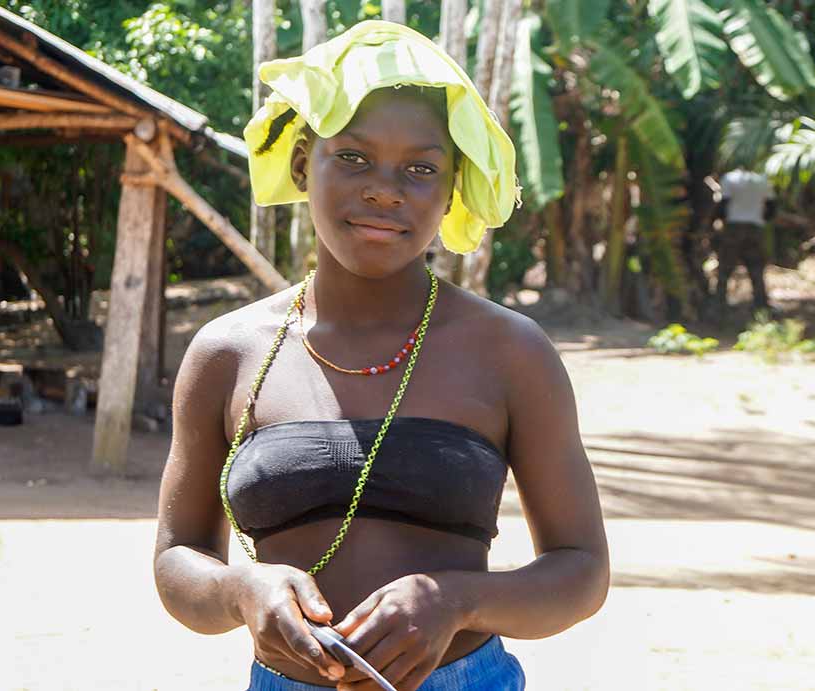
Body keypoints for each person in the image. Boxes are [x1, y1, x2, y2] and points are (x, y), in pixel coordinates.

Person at [153, 20, 609, 691]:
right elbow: (177, 558)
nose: (384, 190)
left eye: (421, 169)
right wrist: (240, 589)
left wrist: (456, 600)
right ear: (303, 162)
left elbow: (581, 569)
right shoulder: (229, 353)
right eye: (353, 157)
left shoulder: (510, 352)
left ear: (452, 188)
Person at [715, 166, 777, 315]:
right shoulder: (763, 180)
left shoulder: (729, 178)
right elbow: (772, 207)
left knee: (725, 268)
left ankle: (719, 304)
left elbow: (722, 205)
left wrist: (721, 222)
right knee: (756, 268)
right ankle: (761, 305)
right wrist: (760, 219)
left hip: (733, 226)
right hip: (755, 228)